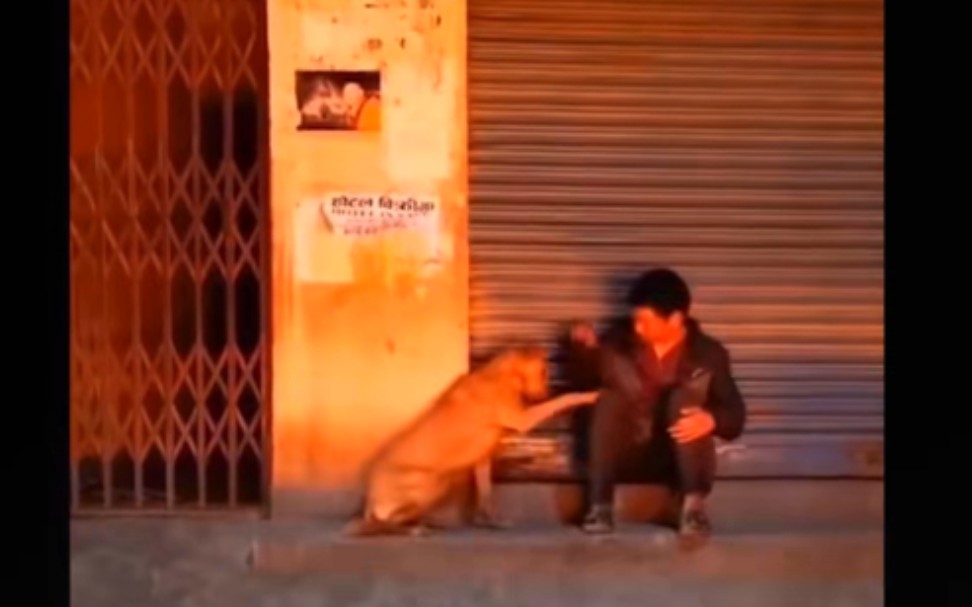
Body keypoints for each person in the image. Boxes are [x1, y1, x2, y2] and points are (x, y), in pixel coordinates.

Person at [565, 268, 746, 545]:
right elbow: (584, 384)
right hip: (628, 453)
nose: (636, 328)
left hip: (677, 458)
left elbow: (736, 415)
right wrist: (584, 350)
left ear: (675, 319)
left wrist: (712, 420)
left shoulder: (709, 354)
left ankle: (693, 510)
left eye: (644, 321)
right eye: (635, 319)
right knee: (607, 400)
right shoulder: (619, 342)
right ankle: (600, 507)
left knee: (683, 401)